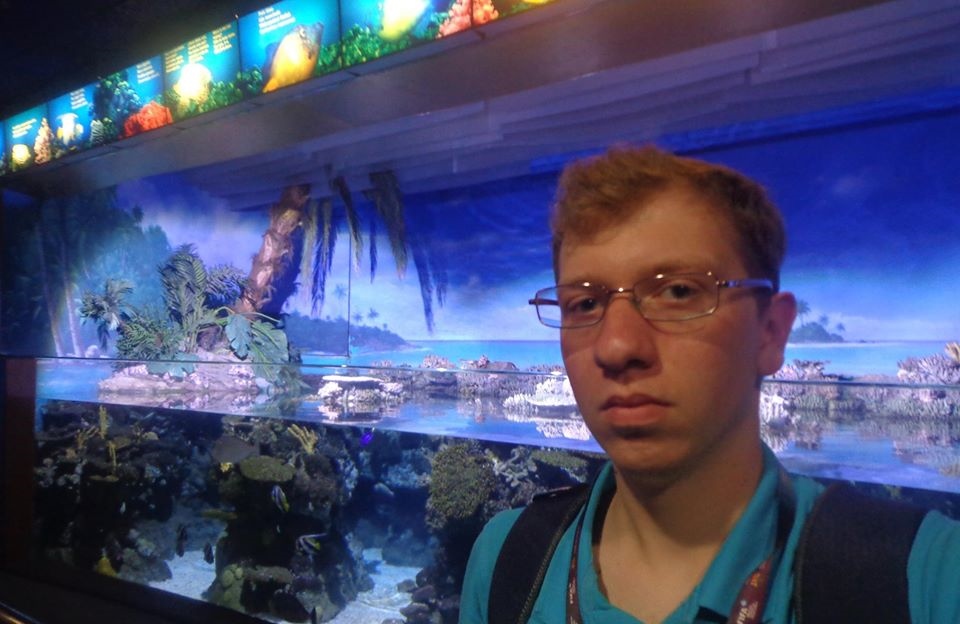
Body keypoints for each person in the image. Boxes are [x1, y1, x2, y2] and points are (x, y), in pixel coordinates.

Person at [459, 145, 960, 623]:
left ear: (771, 332)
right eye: (584, 303)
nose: (616, 345)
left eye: (679, 292)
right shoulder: (508, 559)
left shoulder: (923, 579)